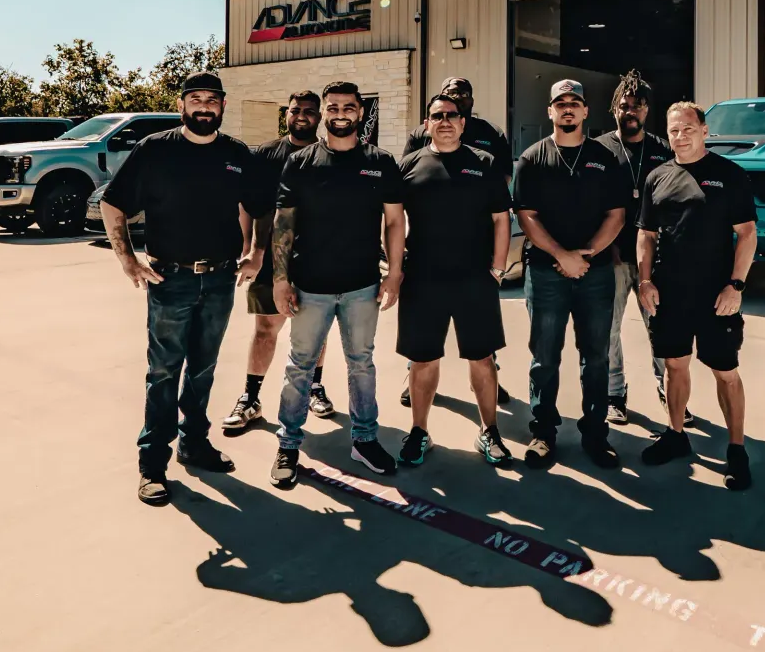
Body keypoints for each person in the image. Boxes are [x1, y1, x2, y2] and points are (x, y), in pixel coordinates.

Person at [102, 72, 266, 505]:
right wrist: (127, 259)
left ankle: (195, 443)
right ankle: (152, 464)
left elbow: (261, 205)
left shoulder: (235, 154)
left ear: (223, 107)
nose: (204, 107)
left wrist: (257, 251)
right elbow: (112, 201)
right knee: (163, 372)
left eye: (212, 100)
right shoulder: (155, 150)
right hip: (170, 279)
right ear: (182, 105)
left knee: (203, 368)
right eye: (196, 99)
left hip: (219, 279)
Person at [268, 81, 406, 487]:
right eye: (333, 107)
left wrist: (394, 273)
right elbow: (283, 223)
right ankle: (289, 443)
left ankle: (364, 439)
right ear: (324, 112)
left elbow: (395, 222)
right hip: (311, 284)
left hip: (363, 284)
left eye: (349, 106)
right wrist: (280, 279)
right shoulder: (302, 162)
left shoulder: (380, 161)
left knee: (361, 363)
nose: (340, 113)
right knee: (300, 366)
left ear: (361, 112)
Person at [636, 101, 759, 490]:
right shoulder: (657, 177)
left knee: (726, 373)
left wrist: (735, 285)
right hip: (670, 293)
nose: (680, 136)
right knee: (675, 366)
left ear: (705, 131)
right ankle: (676, 435)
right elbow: (646, 235)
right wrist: (644, 281)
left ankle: (736, 450)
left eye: (688, 128)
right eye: (673, 130)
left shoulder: (730, 175)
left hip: (716, 296)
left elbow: (748, 233)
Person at [512, 79, 631, 469]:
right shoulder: (532, 158)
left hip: (595, 275)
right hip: (546, 274)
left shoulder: (604, 157)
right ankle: (543, 433)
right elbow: (526, 215)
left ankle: (595, 435)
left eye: (574, 103)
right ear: (549, 111)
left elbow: (617, 214)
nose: (567, 109)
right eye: (559, 103)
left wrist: (589, 253)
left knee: (595, 357)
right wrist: (562, 255)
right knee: (544, 357)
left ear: (584, 112)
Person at [397, 92, 515, 466]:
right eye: (437, 116)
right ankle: (419, 431)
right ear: (427, 123)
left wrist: (498, 268)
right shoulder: (410, 166)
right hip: (422, 279)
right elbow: (394, 220)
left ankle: (490, 431)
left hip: (474, 279)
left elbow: (501, 219)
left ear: (464, 122)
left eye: (452, 115)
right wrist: (395, 268)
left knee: (482, 358)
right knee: (422, 360)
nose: (445, 121)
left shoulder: (485, 163)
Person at [221, 91, 330, 434]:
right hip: (271, 259)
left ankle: (315, 386)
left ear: (320, 117)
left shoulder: (331, 155)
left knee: (317, 331)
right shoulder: (266, 155)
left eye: (310, 111)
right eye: (296, 110)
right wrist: (252, 251)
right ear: (286, 114)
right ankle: (250, 398)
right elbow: (252, 207)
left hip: (318, 259)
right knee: (266, 330)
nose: (302, 116)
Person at [593, 70, 674, 426]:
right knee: (608, 329)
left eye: (638, 106)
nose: (631, 112)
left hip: (653, 263)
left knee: (661, 329)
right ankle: (615, 394)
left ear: (646, 110)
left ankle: (670, 391)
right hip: (610, 258)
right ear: (614, 109)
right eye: (624, 106)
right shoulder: (599, 148)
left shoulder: (662, 149)